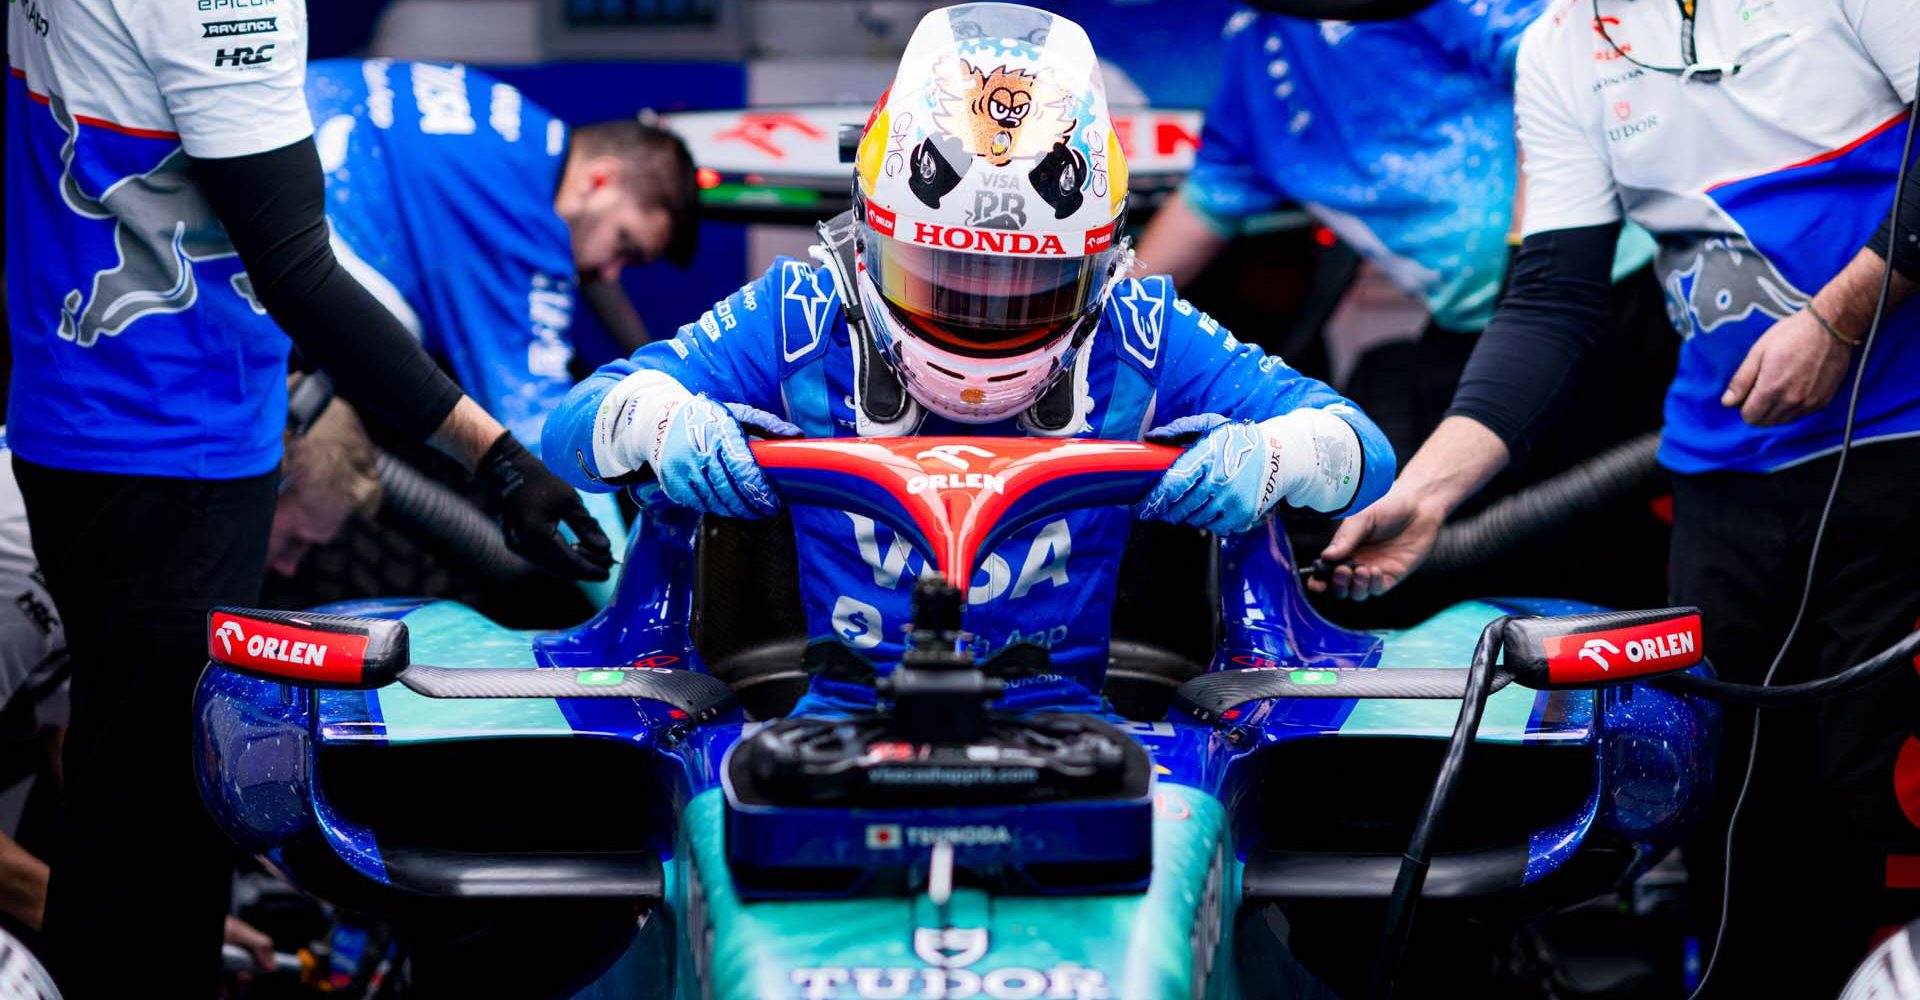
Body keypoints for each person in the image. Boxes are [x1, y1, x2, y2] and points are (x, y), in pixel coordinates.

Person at [544, 2, 1395, 716]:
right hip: (841, 719)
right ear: (868, 237)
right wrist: (656, 420)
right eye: (944, 272)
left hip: (1069, 724)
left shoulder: (1138, 329)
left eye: (1027, 284)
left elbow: (1362, 450)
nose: (984, 314)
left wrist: (1281, 455)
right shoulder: (801, 315)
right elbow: (575, 430)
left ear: (1100, 263)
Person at [1310, 0, 1920, 993]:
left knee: (1878, 805)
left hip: (1902, 455)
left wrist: (1842, 317)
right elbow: (1553, 301)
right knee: (1730, 826)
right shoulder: (1559, 48)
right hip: (1725, 485)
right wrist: (1428, 495)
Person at [6, 3, 613, 995]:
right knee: (153, 852)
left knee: (120, 820)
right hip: (172, 450)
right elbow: (298, 269)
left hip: (71, 424)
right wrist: (498, 457)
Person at [1135, 2, 1676, 612]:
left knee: (1596, 555)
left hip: (1593, 295)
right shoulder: (1252, 53)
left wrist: (1534, 268)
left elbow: (1546, 63)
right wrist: (1094, 309)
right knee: (1437, 550)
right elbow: (1207, 201)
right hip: (1479, 324)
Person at [300, 60, 699, 446]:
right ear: (599, 179)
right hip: (274, 252)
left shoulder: (508, 110)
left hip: (268, 138)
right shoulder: (521, 228)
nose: (611, 274)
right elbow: (539, 429)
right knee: (342, 467)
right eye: (624, 246)